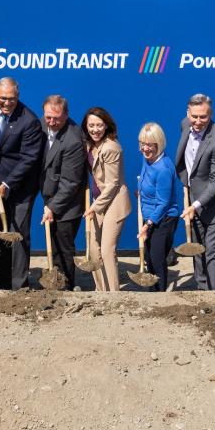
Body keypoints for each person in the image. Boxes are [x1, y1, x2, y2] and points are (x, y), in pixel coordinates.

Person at [0, 77, 43, 290]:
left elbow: (29, 158)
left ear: (18, 96)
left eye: (11, 99)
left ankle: (19, 285)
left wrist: (8, 184)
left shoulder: (29, 121)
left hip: (21, 188)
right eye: (3, 98)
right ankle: (2, 282)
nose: (7, 103)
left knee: (17, 235)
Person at [175, 93, 215, 291]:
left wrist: (196, 205)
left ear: (211, 115)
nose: (198, 121)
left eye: (204, 117)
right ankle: (202, 290)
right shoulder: (185, 124)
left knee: (212, 253)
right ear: (187, 113)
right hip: (193, 199)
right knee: (197, 249)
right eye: (194, 116)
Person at [40, 94, 88, 290]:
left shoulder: (73, 140)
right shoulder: (43, 126)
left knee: (63, 247)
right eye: (48, 117)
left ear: (66, 115)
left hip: (67, 205)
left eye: (56, 118)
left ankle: (66, 286)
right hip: (51, 198)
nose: (51, 122)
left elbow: (70, 182)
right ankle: (57, 282)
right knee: (55, 243)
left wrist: (52, 207)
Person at [82, 107, 132, 292]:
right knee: (93, 250)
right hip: (98, 200)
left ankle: (113, 293)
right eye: (91, 125)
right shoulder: (89, 144)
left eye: (99, 125)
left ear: (107, 126)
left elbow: (113, 184)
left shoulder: (112, 148)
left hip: (115, 202)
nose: (95, 129)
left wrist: (94, 207)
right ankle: (101, 290)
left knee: (106, 250)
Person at [137, 122, 180, 292]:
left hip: (163, 218)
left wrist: (148, 225)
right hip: (150, 216)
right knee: (149, 256)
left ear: (159, 144)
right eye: (142, 143)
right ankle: (152, 291)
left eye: (150, 145)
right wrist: (141, 190)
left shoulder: (163, 169)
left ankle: (159, 294)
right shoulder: (147, 158)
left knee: (156, 257)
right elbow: (146, 178)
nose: (145, 148)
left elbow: (163, 202)